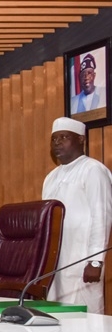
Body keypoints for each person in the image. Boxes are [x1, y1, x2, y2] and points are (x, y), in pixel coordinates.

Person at [42, 117, 112, 313]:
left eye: (64, 137)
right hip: (55, 263)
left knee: (85, 319)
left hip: (82, 260)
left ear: (81, 140)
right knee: (55, 315)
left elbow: (102, 216)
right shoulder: (50, 178)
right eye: (54, 139)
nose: (57, 143)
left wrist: (96, 261)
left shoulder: (93, 170)